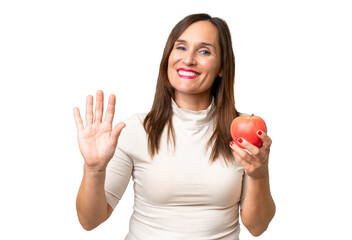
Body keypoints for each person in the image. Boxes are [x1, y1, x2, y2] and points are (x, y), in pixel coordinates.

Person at [73, 13, 275, 239]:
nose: (188, 59)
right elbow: (90, 221)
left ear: (222, 67)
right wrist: (93, 168)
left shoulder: (242, 133)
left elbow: (257, 227)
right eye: (180, 48)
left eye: (204, 51)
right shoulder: (136, 129)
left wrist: (259, 174)